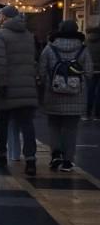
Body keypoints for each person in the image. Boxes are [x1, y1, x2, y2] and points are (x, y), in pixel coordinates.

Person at [0, 5, 39, 175]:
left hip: (7, 87)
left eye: (1, 16)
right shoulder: (29, 35)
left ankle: (1, 153)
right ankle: (31, 160)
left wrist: (0, 85)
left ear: (5, 17)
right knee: (27, 125)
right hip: (27, 87)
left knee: (2, 122)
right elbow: (33, 60)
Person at [39, 20, 93, 171]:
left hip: (53, 94)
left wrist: (47, 82)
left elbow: (41, 71)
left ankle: (56, 154)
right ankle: (68, 161)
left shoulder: (50, 48)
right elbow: (88, 73)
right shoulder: (83, 50)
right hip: (76, 96)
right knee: (71, 129)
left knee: (54, 126)